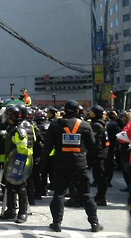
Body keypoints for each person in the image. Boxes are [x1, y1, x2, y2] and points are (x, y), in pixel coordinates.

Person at [41, 100, 103, 233]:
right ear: (77, 111)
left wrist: (43, 163)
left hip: (60, 164)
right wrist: (87, 160)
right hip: (79, 165)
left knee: (59, 194)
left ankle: (57, 223)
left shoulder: (55, 125)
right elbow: (92, 146)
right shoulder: (85, 126)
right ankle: (94, 223)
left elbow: (47, 147)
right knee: (86, 194)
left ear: (64, 110)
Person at [88, 105, 109, 206]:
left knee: (100, 176)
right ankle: (100, 195)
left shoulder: (96, 125)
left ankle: (101, 197)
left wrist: (90, 155)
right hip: (102, 153)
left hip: (99, 154)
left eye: (92, 112)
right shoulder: (101, 123)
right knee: (99, 176)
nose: (90, 113)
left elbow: (97, 143)